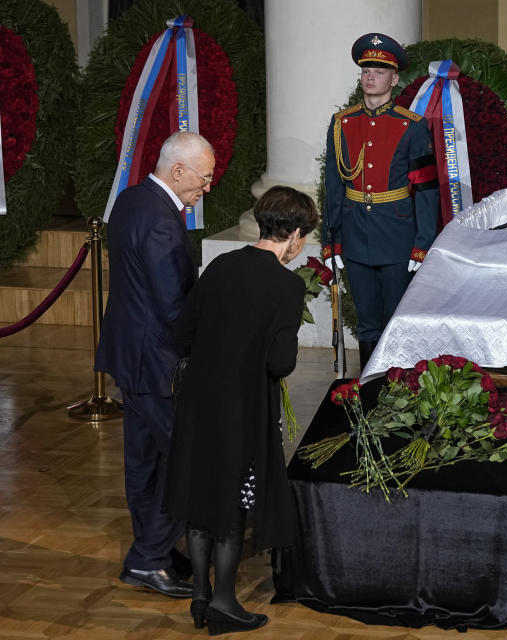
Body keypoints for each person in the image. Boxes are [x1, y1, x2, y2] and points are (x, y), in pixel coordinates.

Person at [165, 186, 318, 634]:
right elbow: (280, 362)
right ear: (291, 234)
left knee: (202, 499)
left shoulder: (221, 265)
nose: (301, 245)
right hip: (242, 405)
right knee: (233, 503)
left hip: (199, 400)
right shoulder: (287, 285)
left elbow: (183, 330)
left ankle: (199, 597)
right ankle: (225, 602)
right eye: (303, 236)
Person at [95, 130, 215, 598]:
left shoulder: (130, 199)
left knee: (143, 460)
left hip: (129, 354)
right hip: (156, 359)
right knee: (188, 456)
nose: (206, 188)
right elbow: (173, 304)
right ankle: (147, 558)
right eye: (203, 179)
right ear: (178, 169)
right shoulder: (164, 221)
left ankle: (157, 553)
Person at [323, 32, 439, 371]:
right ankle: (371, 391)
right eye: (366, 70)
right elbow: (334, 186)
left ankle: (399, 391)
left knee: (396, 320)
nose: (370, 76)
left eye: (379, 70)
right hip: (356, 234)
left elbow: (427, 192)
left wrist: (422, 245)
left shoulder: (412, 127)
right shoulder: (342, 124)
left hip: (397, 235)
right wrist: (333, 241)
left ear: (394, 78)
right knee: (367, 322)